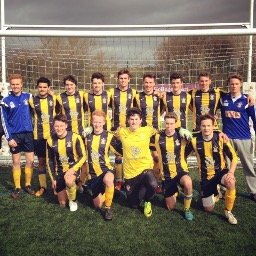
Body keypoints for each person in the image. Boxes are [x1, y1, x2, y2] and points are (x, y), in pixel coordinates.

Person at [186, 114, 238, 224]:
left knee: (231, 182)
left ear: (213, 126)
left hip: (220, 172)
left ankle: (228, 211)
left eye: (209, 125)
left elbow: (234, 158)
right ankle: (215, 194)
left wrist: (231, 172)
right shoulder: (194, 140)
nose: (206, 128)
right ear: (200, 126)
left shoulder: (220, 137)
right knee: (208, 209)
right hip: (205, 177)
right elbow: (183, 155)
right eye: (203, 126)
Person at [115, 107, 158, 217]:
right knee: (133, 205)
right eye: (131, 119)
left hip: (145, 169)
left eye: (136, 119)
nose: (134, 121)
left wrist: (180, 129)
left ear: (141, 120)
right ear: (128, 121)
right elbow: (105, 131)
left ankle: (148, 201)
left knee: (153, 184)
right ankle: (142, 188)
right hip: (130, 174)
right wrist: (91, 129)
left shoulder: (147, 130)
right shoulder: (121, 131)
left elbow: (166, 129)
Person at [150, 112, 194, 220]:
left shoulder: (181, 135)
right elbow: (148, 144)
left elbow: (196, 137)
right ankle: (176, 191)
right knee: (171, 207)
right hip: (166, 175)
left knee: (188, 182)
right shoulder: (157, 136)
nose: (169, 126)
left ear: (176, 124)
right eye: (167, 123)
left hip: (180, 170)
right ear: (164, 123)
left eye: (171, 123)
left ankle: (187, 209)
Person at [220, 74, 256, 202]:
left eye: (236, 84)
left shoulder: (247, 100)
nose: (233, 86)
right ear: (228, 85)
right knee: (227, 166)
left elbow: (254, 118)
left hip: (244, 137)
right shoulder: (223, 98)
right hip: (227, 138)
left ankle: (253, 191)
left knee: (248, 165)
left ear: (240, 84)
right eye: (231, 84)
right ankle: (225, 189)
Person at [1, 74, 34, 198]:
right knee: (16, 162)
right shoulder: (6, 101)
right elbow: (4, 121)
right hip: (15, 135)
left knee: (30, 161)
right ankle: (17, 187)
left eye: (17, 84)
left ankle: (28, 184)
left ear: (22, 84)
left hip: (28, 134)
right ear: (10, 85)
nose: (15, 86)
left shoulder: (28, 96)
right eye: (13, 84)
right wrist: (9, 138)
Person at [85, 110, 121, 220]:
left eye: (100, 122)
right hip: (92, 175)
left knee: (109, 179)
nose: (97, 124)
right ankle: (109, 192)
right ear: (91, 122)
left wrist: (120, 139)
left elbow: (120, 152)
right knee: (97, 205)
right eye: (95, 122)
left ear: (104, 122)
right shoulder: (86, 136)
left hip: (106, 169)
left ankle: (108, 208)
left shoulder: (109, 136)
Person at [46, 114, 86, 211]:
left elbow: (83, 156)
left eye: (61, 126)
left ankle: (73, 200)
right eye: (56, 126)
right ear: (53, 126)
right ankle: (75, 187)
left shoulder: (75, 137)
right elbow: (50, 161)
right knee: (62, 203)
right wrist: (53, 179)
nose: (59, 128)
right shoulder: (50, 140)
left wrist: (73, 169)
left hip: (74, 169)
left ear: (66, 125)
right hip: (60, 171)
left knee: (68, 180)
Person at [29, 77, 58, 196]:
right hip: (39, 136)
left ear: (49, 88)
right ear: (37, 88)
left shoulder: (54, 99)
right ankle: (43, 187)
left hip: (53, 136)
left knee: (55, 162)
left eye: (44, 87)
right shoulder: (31, 101)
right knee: (41, 162)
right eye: (40, 87)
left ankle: (56, 185)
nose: (42, 89)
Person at [109, 69, 137, 190]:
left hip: (129, 129)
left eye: (125, 78)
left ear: (129, 79)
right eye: (121, 78)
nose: (123, 80)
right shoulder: (111, 92)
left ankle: (130, 178)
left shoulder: (134, 93)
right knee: (118, 156)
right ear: (118, 79)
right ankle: (119, 180)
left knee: (131, 155)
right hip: (116, 129)